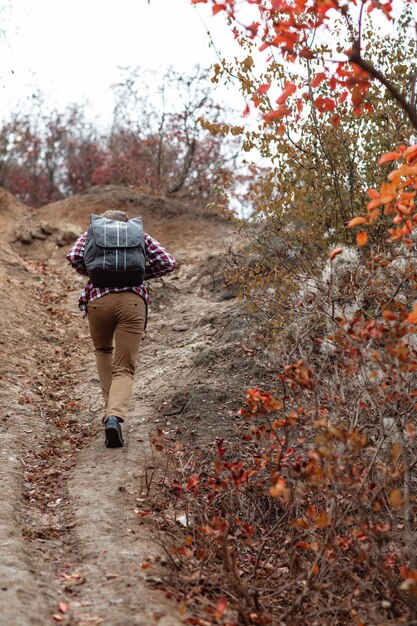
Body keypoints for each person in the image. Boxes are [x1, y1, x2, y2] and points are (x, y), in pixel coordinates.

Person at [66, 209, 176, 448]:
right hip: (132, 302)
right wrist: (140, 274)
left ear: (104, 223)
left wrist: (95, 272)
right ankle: (114, 416)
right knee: (124, 367)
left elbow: (73, 256)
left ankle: (110, 413)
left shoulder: (92, 234)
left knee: (103, 351)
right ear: (126, 225)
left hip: (98, 301)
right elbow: (168, 262)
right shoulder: (139, 235)